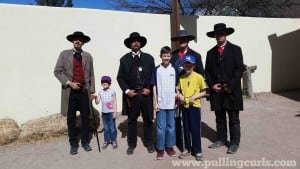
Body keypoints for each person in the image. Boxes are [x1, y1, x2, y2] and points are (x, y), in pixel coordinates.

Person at [205, 23, 244, 154]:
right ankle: (221, 139)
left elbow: (239, 69)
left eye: (222, 33)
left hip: (231, 91)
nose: (219, 35)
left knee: (233, 118)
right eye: (217, 34)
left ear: (225, 34)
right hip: (217, 92)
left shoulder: (236, 50)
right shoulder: (210, 53)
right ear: (214, 36)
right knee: (219, 117)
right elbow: (208, 72)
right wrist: (211, 85)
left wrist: (230, 85)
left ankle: (234, 143)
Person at [54, 31, 95, 155]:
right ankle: (73, 144)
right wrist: (69, 83)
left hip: (84, 91)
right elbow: (57, 71)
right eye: (76, 39)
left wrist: (92, 91)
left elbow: (91, 75)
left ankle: (85, 142)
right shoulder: (64, 54)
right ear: (73, 41)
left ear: (83, 42)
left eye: (80, 40)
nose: (78, 41)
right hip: (70, 92)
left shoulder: (88, 56)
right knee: (71, 119)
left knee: (85, 118)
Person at [117, 32, 155, 155]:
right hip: (132, 96)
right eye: (133, 41)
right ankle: (131, 144)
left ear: (141, 43)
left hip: (146, 94)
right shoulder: (124, 59)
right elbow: (120, 77)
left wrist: (149, 88)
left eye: (138, 40)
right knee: (132, 120)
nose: (135, 42)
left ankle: (149, 143)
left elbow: (153, 76)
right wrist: (127, 91)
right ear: (129, 44)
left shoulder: (149, 58)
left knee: (148, 119)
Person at [177, 55, 206, 161]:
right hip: (185, 106)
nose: (188, 66)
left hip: (194, 106)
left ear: (194, 65)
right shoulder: (181, 78)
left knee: (195, 128)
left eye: (190, 64)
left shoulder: (199, 77)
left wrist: (195, 97)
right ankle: (186, 149)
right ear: (183, 65)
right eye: (186, 64)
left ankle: (197, 151)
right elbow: (178, 90)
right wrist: (179, 96)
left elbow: (204, 91)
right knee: (185, 128)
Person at [150, 46, 177, 160]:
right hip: (160, 103)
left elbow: (176, 87)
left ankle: (169, 147)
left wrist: (176, 100)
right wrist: (155, 103)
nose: (166, 58)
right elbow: (154, 87)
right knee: (161, 127)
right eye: (164, 56)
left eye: (168, 56)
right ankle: (160, 149)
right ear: (160, 56)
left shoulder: (174, 69)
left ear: (171, 57)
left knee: (171, 126)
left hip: (171, 103)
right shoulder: (157, 70)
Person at [95, 76, 118, 149]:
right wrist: (95, 98)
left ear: (109, 84)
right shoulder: (100, 92)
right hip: (104, 113)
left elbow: (114, 102)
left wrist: (115, 112)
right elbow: (97, 102)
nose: (104, 83)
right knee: (106, 128)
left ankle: (113, 141)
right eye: (103, 82)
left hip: (111, 113)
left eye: (106, 82)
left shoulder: (112, 91)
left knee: (112, 128)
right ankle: (106, 141)